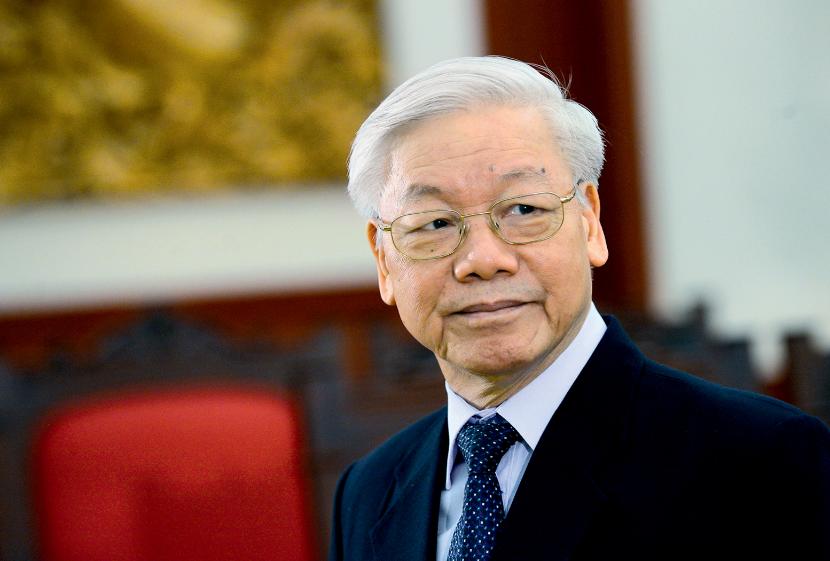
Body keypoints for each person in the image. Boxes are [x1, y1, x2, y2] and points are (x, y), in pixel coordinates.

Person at [328, 56, 830, 561]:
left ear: (590, 224)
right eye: (434, 223)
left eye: (524, 209)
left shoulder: (763, 459)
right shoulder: (368, 492)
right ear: (384, 261)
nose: (483, 260)